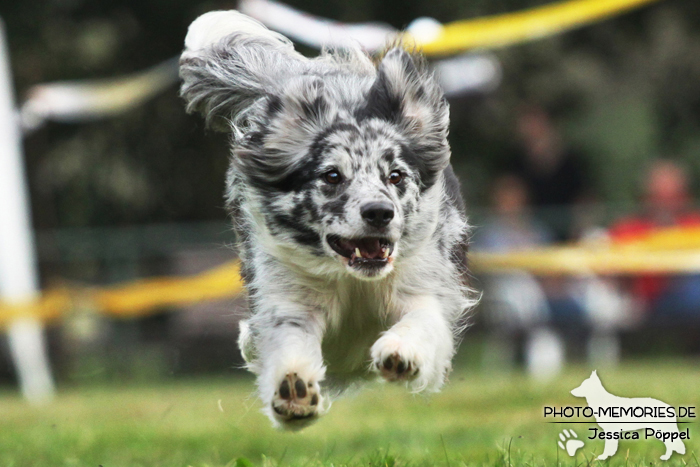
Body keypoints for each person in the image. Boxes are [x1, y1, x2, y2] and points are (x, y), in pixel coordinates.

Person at [608, 159, 700, 324]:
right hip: (646, 302)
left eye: (674, 198)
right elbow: (611, 272)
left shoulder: (694, 225)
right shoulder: (628, 230)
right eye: (658, 198)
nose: (666, 206)